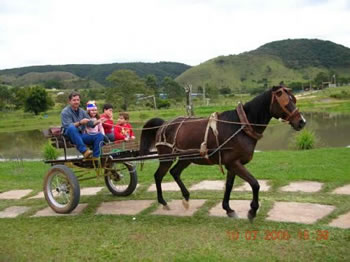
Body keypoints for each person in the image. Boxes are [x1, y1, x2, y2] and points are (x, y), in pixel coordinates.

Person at [61, 92, 104, 158]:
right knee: (71, 127)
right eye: (74, 100)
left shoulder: (82, 111)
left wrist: (98, 121)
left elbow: (90, 124)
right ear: (69, 101)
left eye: (78, 100)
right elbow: (67, 126)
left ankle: (96, 157)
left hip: (81, 135)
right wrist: (80, 123)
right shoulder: (65, 112)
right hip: (70, 136)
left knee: (99, 136)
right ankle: (84, 151)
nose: (76, 102)